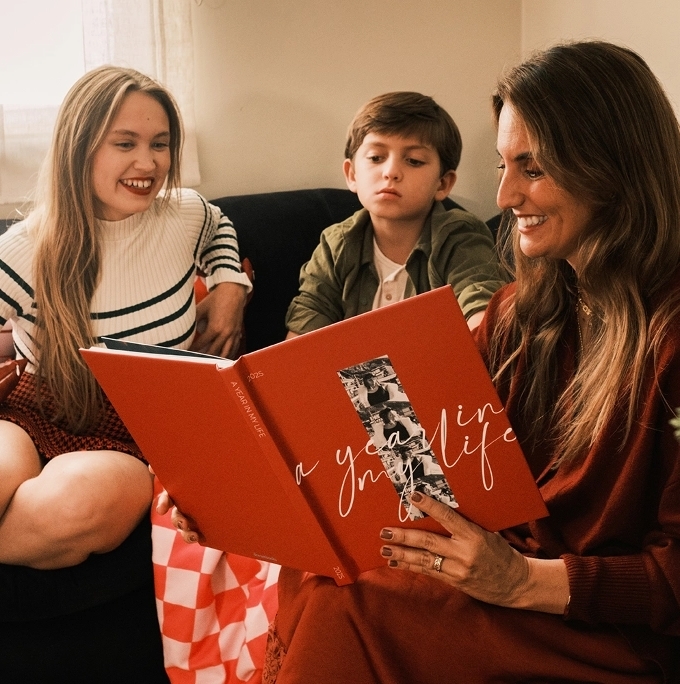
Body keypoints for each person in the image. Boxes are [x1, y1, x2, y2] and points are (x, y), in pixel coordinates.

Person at [255, 41, 680, 682]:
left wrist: (522, 582)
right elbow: (422, 444)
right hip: (508, 569)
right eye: (504, 165)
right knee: (322, 571)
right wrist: (258, 488)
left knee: (351, 607)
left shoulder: (669, 338)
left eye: (533, 168)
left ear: (613, 168)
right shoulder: (522, 311)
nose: (505, 196)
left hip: (601, 625)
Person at [0, 65, 250, 575]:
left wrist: (230, 287)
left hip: (142, 431)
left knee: (77, 504)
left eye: (160, 144)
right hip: (40, 407)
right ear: (80, 148)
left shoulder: (185, 214)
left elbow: (219, 228)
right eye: (125, 143)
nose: (148, 162)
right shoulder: (25, 250)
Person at [284, 91, 506, 337]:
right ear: (352, 174)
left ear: (443, 183)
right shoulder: (336, 244)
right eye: (376, 157)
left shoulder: (459, 235)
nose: (391, 172)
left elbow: (480, 304)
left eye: (414, 161)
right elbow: (307, 321)